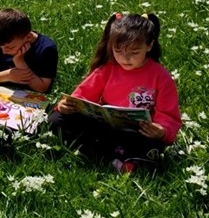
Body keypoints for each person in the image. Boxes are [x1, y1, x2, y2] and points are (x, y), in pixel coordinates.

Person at [48, 12, 181, 173]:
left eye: (134, 52)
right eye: (118, 51)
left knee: (152, 146)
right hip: (105, 127)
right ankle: (116, 159)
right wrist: (66, 106)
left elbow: (168, 115)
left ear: (149, 46)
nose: (125, 58)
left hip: (137, 134)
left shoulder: (161, 77)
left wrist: (161, 130)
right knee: (56, 119)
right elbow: (82, 95)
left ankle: (103, 156)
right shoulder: (107, 70)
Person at [0, 8, 58, 93]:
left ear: (28, 37)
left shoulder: (46, 49)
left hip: (32, 100)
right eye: (0, 47)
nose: (4, 51)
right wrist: (8, 75)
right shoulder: (1, 42)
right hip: (0, 95)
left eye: (10, 47)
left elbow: (42, 88)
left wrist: (20, 62)